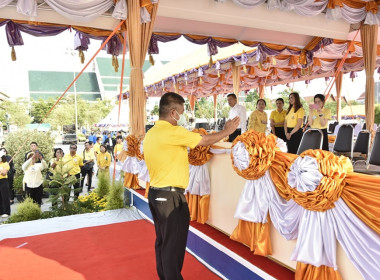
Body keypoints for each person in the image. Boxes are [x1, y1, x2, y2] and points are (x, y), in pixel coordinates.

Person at [144, 92, 239, 280]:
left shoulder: (152, 132)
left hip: (156, 195)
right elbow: (203, 141)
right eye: (181, 112)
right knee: (173, 247)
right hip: (170, 197)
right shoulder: (173, 132)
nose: (181, 117)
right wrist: (227, 132)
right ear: (173, 113)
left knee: (163, 243)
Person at [0, 150, 10, 218]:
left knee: (5, 196)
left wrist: (1, 170)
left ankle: (6, 211)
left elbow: (4, 173)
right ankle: (1, 211)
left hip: (3, 180)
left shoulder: (6, 163)